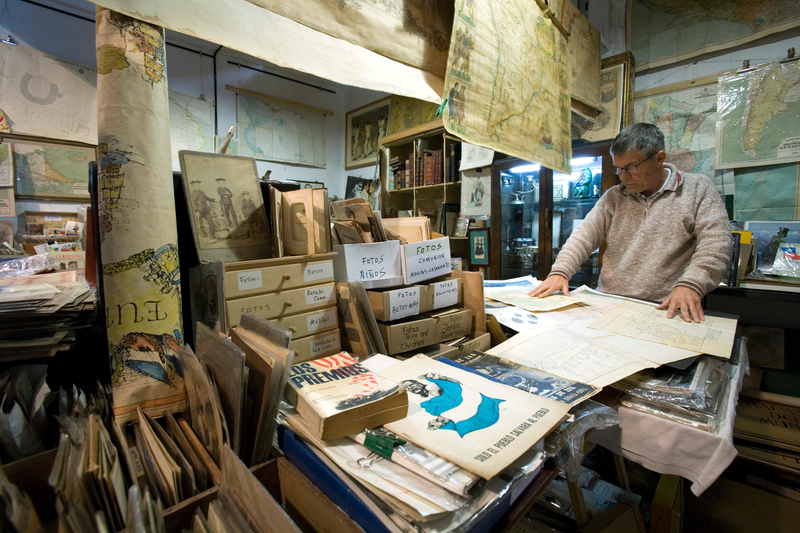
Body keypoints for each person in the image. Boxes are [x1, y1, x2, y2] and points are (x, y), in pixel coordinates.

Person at [529, 123, 732, 323]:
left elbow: (715, 245)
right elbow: (582, 237)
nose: (624, 177)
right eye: (618, 169)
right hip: (609, 303)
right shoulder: (613, 198)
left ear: (659, 158)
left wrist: (691, 284)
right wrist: (560, 272)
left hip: (666, 308)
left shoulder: (696, 189)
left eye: (631, 168)